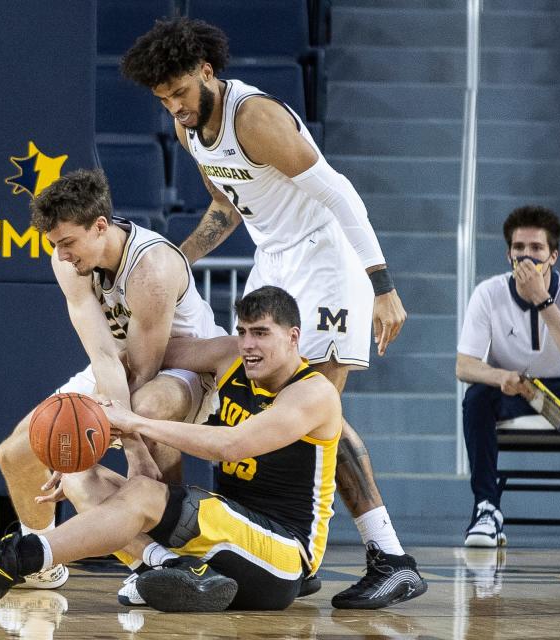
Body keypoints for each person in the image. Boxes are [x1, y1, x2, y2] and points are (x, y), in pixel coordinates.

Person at [118, 17, 424, 608]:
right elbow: (227, 206)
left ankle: (388, 556)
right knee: (272, 402)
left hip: (327, 257)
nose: (175, 108)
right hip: (276, 259)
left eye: (180, 92)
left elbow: (338, 192)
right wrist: (175, 261)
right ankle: (285, 553)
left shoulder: (253, 117)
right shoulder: (192, 133)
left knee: (315, 408)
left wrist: (381, 284)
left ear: (207, 70)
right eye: (163, 100)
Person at [0, 286, 350, 612]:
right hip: (230, 537)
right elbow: (150, 351)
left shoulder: (313, 394)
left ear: (294, 337)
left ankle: (8, 562)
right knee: (81, 474)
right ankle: (173, 568)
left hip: (283, 556)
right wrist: (106, 365)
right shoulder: (230, 357)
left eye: (261, 333)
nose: (248, 344)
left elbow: (231, 445)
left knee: (147, 493)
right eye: (242, 332)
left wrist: (137, 423)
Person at [0, 168, 226, 591]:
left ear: (100, 226)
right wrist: (75, 445)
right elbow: (104, 356)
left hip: (187, 366)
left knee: (149, 408)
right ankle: (40, 557)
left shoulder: (151, 268)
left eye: (67, 243)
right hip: (118, 361)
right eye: (54, 245)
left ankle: (178, 551)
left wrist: (131, 446)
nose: (61, 255)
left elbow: (146, 368)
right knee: (16, 453)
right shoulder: (68, 263)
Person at [456, 205, 560, 547]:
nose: (527, 257)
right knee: (476, 396)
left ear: (553, 256)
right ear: (508, 255)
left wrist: (543, 301)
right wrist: (499, 375)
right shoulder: (488, 293)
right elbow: (464, 365)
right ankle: (487, 509)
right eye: (519, 249)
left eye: (536, 249)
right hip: (515, 389)